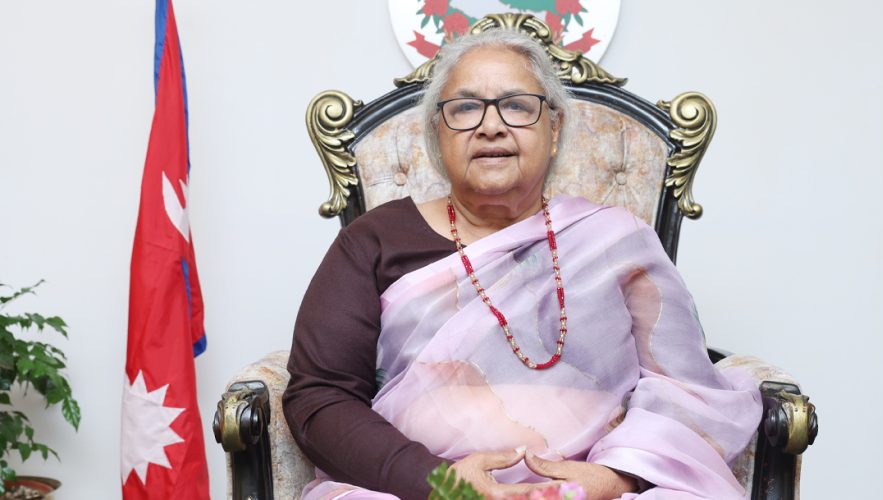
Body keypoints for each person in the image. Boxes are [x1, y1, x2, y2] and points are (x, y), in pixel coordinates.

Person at [283, 28, 762, 500]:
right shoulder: (372, 241)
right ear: (437, 133)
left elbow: (686, 391)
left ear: (553, 130)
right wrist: (441, 485)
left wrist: (614, 478)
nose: (491, 126)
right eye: (465, 107)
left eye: (516, 105)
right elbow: (319, 396)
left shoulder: (617, 241)